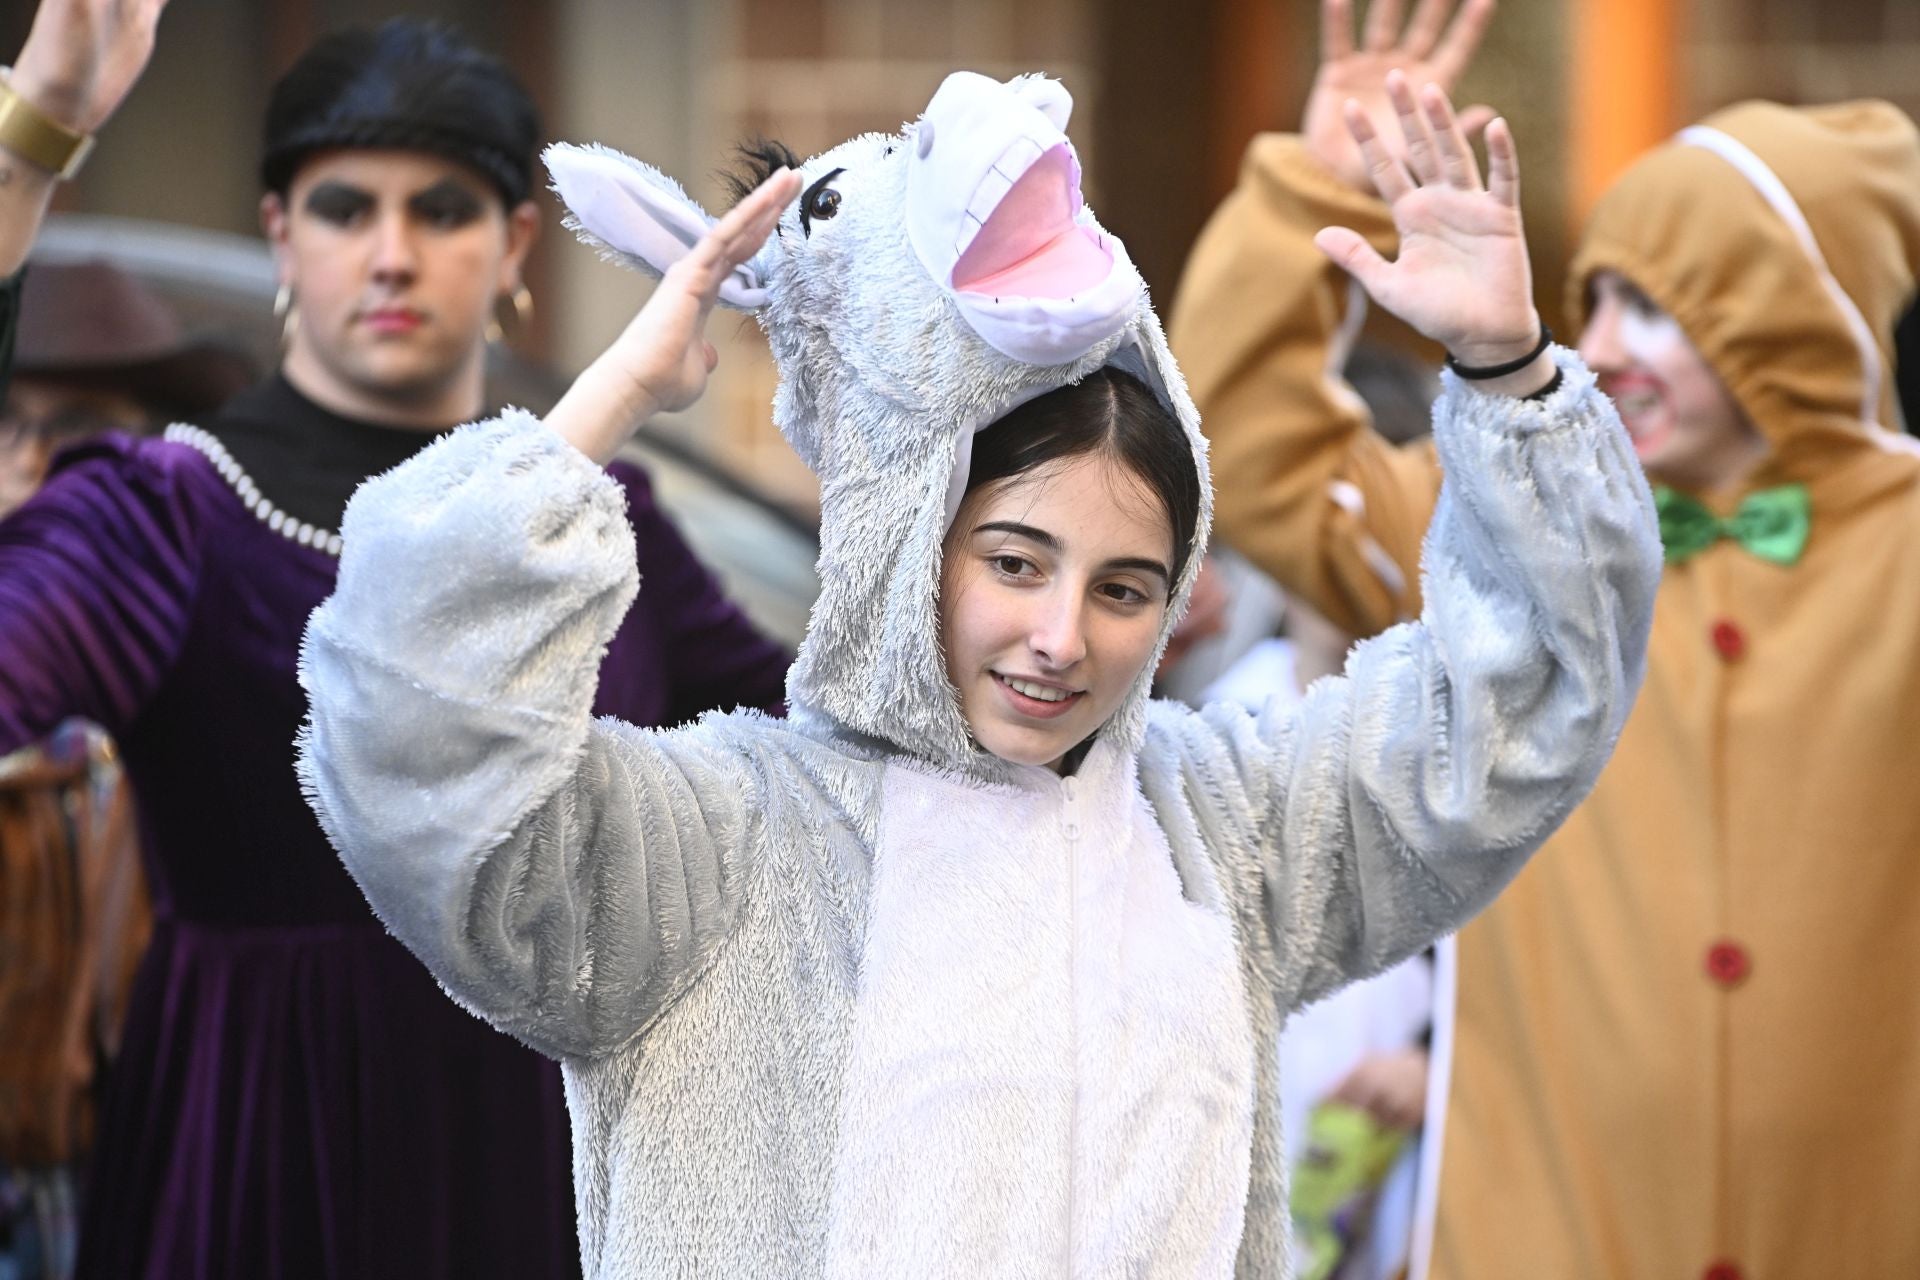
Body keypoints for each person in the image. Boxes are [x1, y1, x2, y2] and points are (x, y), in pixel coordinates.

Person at [295, 68, 1657, 1276]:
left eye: (1125, 589)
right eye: (1013, 562)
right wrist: (610, 401)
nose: (1064, 637)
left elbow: (1520, 705)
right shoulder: (715, 850)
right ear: (905, 539)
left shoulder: (1228, 837)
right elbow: (424, 761)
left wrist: (1510, 370)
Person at [0, 13, 792, 1279]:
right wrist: (27, 142)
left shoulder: (603, 523)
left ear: (515, 242)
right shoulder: (169, 513)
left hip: (546, 1143)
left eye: (441, 208)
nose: (391, 253)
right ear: (278, 232)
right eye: (342, 207)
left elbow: (825, 746)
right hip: (258, 1138)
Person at [1171, 1, 1920, 1275]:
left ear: (1796, 316)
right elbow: (1252, 441)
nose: (1610, 345)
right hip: (1541, 1233)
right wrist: (1311, 188)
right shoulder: (1493, 525)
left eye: (1669, 307)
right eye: (1604, 298)